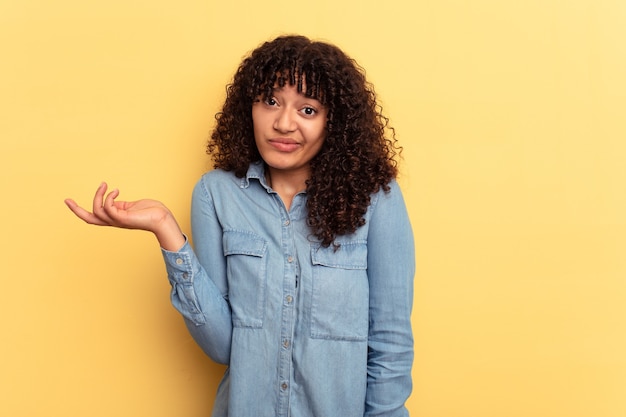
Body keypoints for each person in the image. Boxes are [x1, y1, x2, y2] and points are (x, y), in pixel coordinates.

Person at [65, 35, 415, 417]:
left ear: (335, 122)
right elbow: (222, 346)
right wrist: (167, 231)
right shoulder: (216, 195)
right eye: (270, 101)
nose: (283, 123)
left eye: (308, 110)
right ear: (248, 106)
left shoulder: (376, 198)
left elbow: (390, 339)